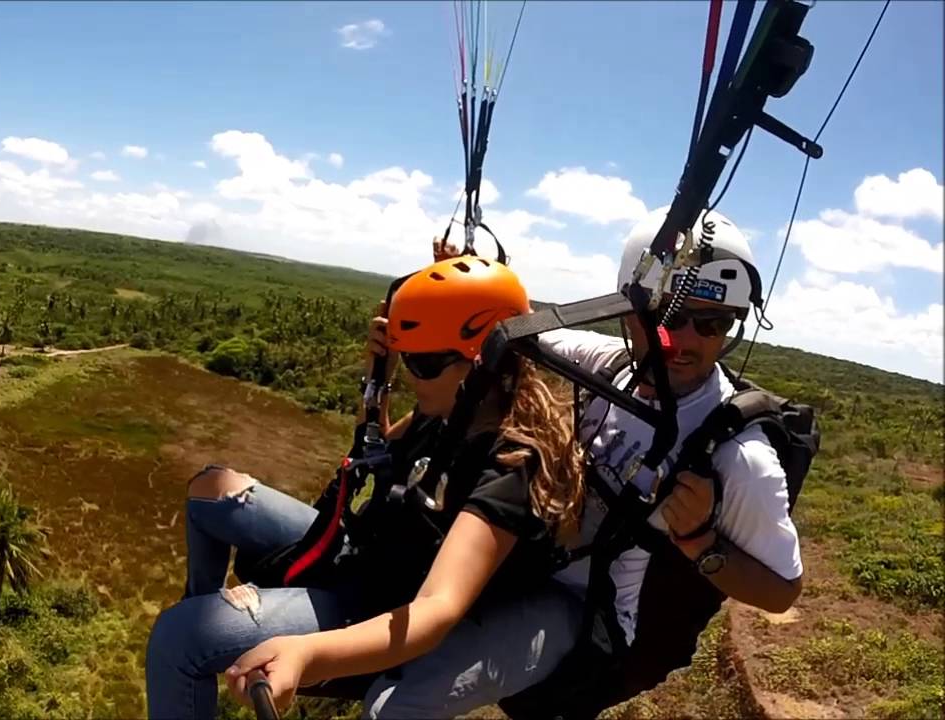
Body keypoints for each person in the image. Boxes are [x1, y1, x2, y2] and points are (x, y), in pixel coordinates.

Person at [146, 255, 590, 719]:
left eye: (424, 362)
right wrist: (381, 370)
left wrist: (307, 654)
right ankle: (216, 643)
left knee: (178, 639)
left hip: (379, 602)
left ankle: (202, 651)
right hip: (369, 551)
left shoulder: (509, 466)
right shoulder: (449, 413)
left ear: (485, 364)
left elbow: (438, 608)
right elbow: (371, 451)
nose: (413, 375)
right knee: (210, 493)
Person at [437, 208, 805, 716]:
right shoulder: (610, 363)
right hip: (530, 562)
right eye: (673, 315)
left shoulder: (739, 458)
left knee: (412, 693)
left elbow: (783, 591)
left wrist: (701, 542)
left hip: (588, 616)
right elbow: (512, 331)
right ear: (630, 309)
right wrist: (460, 281)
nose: (690, 341)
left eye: (714, 322)